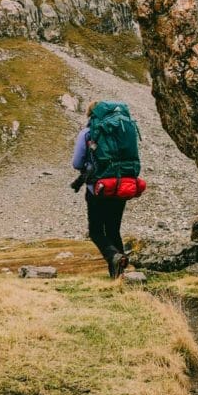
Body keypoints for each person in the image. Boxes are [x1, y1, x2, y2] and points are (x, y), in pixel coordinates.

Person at [72, 100, 129, 279]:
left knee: (96, 231)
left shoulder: (88, 133)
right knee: (113, 230)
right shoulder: (121, 130)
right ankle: (119, 276)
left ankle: (114, 257)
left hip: (98, 188)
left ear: (90, 115)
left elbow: (77, 163)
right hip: (121, 187)